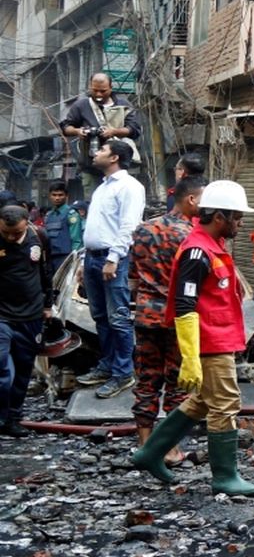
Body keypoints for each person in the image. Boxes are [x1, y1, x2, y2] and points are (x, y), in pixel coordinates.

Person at [130, 180, 254, 496]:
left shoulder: (212, 248)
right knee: (225, 403)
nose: (241, 224)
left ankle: (149, 453)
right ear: (220, 217)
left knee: (203, 401)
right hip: (210, 341)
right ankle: (225, 477)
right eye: (237, 218)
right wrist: (189, 358)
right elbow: (185, 304)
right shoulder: (197, 251)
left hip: (220, 337)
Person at [129, 176, 204, 460]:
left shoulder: (143, 230)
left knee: (147, 379)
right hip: (178, 316)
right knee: (176, 382)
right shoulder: (192, 236)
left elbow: (133, 278)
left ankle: (146, 445)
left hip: (146, 313)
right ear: (191, 199)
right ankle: (170, 448)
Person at [76, 140, 146, 399]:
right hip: (93, 258)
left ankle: (123, 373)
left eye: (102, 150)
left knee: (118, 318)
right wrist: (85, 260)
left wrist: (114, 258)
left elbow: (129, 226)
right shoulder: (102, 188)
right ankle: (107, 365)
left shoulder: (130, 187)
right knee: (100, 317)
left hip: (111, 259)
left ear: (114, 156)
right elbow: (95, 227)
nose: (96, 153)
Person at [0, 203, 52, 438]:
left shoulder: (38, 237)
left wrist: (48, 305)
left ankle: (12, 417)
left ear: (26, 226)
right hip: (2, 315)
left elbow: (46, 271)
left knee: (22, 371)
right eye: (5, 233)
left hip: (31, 316)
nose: (11, 237)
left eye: (16, 233)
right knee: (3, 370)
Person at [58, 73, 141, 186]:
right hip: (91, 166)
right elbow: (65, 127)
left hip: (119, 167)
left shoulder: (123, 105)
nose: (98, 94)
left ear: (111, 88)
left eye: (103, 91)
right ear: (90, 87)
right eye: (95, 90)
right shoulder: (81, 105)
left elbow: (134, 129)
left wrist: (113, 132)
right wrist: (78, 131)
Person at [42, 180, 82, 277]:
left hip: (65, 258)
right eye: (54, 195)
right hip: (49, 258)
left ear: (66, 196)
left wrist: (74, 260)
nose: (57, 198)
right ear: (49, 196)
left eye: (60, 195)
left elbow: (76, 240)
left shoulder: (71, 214)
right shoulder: (48, 215)